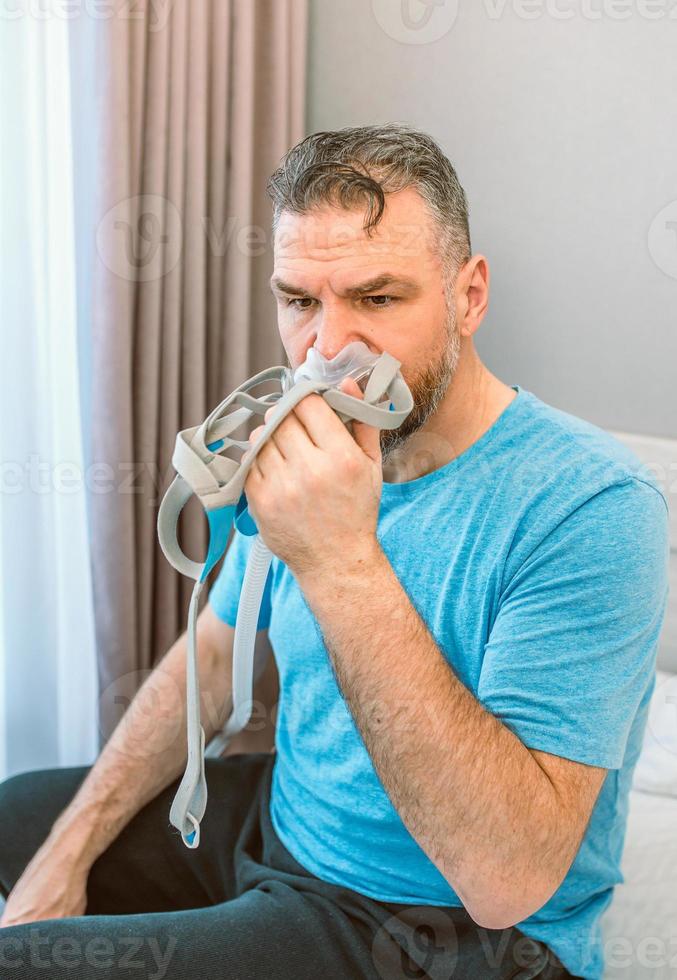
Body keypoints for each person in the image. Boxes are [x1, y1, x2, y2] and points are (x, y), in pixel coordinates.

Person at [0, 124, 669, 980]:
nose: (325, 351)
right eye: (299, 300)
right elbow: (210, 656)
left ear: (469, 295)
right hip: (284, 827)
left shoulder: (590, 506)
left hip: (440, 928)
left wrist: (341, 560)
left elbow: (508, 880)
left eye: (378, 299)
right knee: (24, 822)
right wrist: (69, 853)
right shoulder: (305, 447)